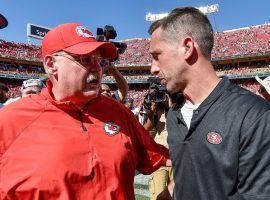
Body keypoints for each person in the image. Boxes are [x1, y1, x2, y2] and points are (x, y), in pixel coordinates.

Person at [0, 22, 170, 200]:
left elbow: (163, 158)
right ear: (51, 65)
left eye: (100, 61)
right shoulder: (10, 121)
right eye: (85, 59)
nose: (97, 68)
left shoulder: (119, 113)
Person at [148, 7, 270, 200]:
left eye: (157, 56)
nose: (153, 69)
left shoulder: (255, 116)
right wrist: (168, 192)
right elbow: (192, 172)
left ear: (187, 47)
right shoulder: (174, 114)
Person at [143, 96, 174, 200]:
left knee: (178, 194)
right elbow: (146, 128)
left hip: (178, 156)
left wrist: (169, 103)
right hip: (161, 157)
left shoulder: (180, 101)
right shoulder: (155, 105)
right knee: (158, 195)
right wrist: (151, 111)